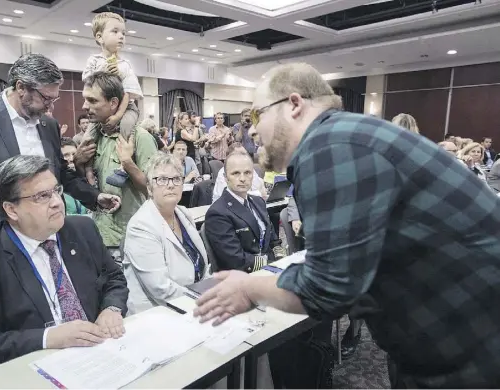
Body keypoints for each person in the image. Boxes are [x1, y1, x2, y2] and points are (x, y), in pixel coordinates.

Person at [193, 62, 500, 388]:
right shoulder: (345, 136)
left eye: (257, 116)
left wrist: (247, 288)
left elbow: (326, 288)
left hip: (472, 349)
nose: (252, 131)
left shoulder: (330, 146)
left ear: (294, 105)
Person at [0, 155, 129, 375]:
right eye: (42, 196)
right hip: (29, 370)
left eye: (56, 190)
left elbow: (114, 279)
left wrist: (111, 309)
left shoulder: (82, 229)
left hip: (97, 356)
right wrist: (48, 338)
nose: (56, 202)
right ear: (12, 210)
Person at [0, 54, 120, 257]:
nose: (51, 106)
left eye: (54, 99)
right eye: (46, 98)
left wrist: (95, 197)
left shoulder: (48, 125)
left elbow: (60, 173)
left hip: (42, 240)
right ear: (21, 87)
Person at [74, 72, 157, 255]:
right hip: (98, 234)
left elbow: (154, 191)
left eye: (93, 101)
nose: (85, 106)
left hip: (129, 239)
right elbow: (87, 186)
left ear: (113, 103)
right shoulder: (93, 139)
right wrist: (78, 163)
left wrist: (128, 163)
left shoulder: (139, 138)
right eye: (85, 100)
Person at [123, 153, 210, 314]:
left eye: (176, 179)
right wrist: (205, 300)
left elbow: (203, 267)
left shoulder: (183, 214)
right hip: (157, 315)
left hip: (193, 306)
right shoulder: (141, 226)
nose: (171, 185)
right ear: (149, 188)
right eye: (162, 179)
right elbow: (160, 288)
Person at [81, 12, 143, 189]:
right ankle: (88, 170)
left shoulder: (125, 65)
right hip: (101, 111)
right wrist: (105, 70)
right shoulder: (94, 61)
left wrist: (118, 116)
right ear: (99, 37)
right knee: (88, 137)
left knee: (126, 127)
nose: (121, 36)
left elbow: (129, 94)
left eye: (123, 33)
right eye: (115, 32)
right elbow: (89, 81)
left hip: (126, 107)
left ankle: (122, 167)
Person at [205, 152, 280, 272]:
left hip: (268, 269)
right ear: (225, 177)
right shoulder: (217, 213)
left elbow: (273, 239)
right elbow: (235, 259)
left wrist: (281, 259)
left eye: (247, 173)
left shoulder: (258, 202)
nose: (242, 178)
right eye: (235, 173)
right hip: (242, 276)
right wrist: (270, 263)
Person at [60, 138, 89, 215]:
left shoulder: (89, 178)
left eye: (74, 154)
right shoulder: (57, 186)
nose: (72, 158)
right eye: (66, 155)